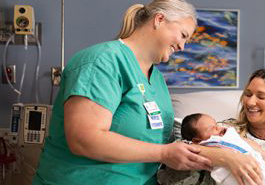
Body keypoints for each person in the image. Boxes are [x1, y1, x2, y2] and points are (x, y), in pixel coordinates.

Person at [32, 1, 213, 184]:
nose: (182, 47)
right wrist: (164, 153)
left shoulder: (156, 79)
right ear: (159, 19)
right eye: (183, 35)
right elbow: (84, 139)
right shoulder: (102, 62)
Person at [158, 69, 265, 185]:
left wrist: (261, 155)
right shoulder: (224, 129)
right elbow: (181, 153)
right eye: (248, 94)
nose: (250, 102)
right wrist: (229, 158)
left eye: (261, 96)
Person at [181, 113, 265, 185]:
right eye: (211, 128)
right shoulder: (204, 145)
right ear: (197, 140)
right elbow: (185, 147)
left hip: (256, 168)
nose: (219, 128)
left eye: (216, 123)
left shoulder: (227, 131)